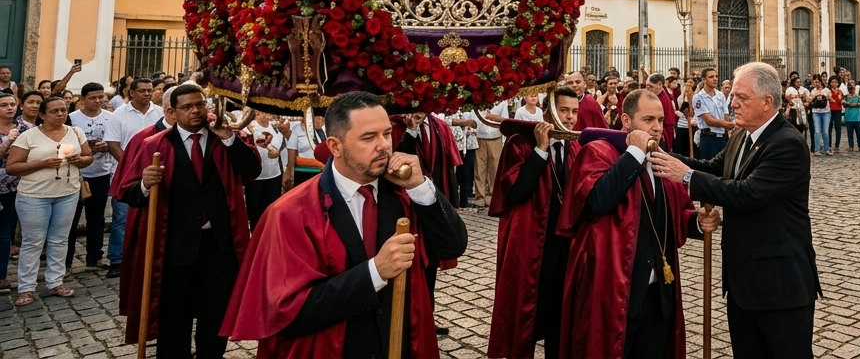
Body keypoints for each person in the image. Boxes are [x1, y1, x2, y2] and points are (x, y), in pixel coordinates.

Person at [223, 92, 467, 359]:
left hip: (402, 344)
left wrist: (421, 188)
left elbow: (451, 246)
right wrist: (375, 272)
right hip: (330, 348)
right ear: (335, 146)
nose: (384, 145)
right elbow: (288, 312)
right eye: (368, 137)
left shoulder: (404, 194)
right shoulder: (290, 213)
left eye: (386, 134)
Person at [650, 62, 819, 359]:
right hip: (744, 283)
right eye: (733, 96)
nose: (732, 103)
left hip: (780, 285)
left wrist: (686, 177)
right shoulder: (742, 134)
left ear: (767, 102)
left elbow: (747, 193)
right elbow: (715, 169)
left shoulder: (787, 143)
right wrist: (659, 155)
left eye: (741, 97)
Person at [559, 90, 716, 359]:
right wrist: (634, 151)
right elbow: (598, 200)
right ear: (626, 120)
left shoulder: (661, 158)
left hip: (658, 292)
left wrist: (698, 223)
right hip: (616, 290)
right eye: (648, 120)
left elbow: (674, 213)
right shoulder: (598, 151)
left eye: (660, 120)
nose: (656, 128)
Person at [114, 85, 259, 358]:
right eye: (187, 107)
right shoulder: (153, 145)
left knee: (216, 314)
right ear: (171, 112)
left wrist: (230, 139)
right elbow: (127, 192)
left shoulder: (224, 140)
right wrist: (144, 185)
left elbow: (251, 171)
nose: (196, 111)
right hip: (173, 247)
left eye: (200, 105)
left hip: (219, 246)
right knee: (174, 317)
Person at [487, 89, 581, 358]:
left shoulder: (574, 146)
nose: (570, 117)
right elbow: (515, 192)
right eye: (564, 110)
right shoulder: (521, 143)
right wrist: (540, 151)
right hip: (532, 244)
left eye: (574, 111)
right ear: (548, 111)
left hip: (565, 245)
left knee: (560, 315)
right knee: (526, 310)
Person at [5, 96, 92, 305]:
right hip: (34, 196)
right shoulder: (29, 137)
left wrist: (79, 160)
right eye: (54, 111)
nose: (61, 114)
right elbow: (12, 167)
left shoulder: (75, 133)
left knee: (60, 239)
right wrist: (42, 163)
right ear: (42, 115)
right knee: (33, 242)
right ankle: (26, 288)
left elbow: (89, 157)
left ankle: (55, 281)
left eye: (63, 110)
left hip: (67, 193)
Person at [393, 110, 462, 336]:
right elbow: (398, 162)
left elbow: (446, 164)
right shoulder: (396, 126)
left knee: (430, 266)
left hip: (432, 204)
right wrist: (411, 130)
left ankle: (427, 319)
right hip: (408, 209)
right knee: (414, 267)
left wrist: (451, 203)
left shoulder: (439, 126)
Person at [105, 76, 164, 278]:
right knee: (122, 218)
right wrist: (132, 167)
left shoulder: (160, 113)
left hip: (155, 174)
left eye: (150, 90)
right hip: (127, 174)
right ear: (132, 92)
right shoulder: (118, 115)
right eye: (142, 91)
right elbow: (112, 144)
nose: (147, 94)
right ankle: (117, 259)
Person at [67, 82, 116, 271]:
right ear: (82, 99)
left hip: (101, 173)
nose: (98, 101)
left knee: (97, 218)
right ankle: (67, 261)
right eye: (93, 98)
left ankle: (94, 258)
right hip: (77, 175)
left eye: (100, 97)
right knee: (71, 219)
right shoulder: (72, 118)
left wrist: (106, 147)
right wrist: (87, 147)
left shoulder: (111, 117)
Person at [0, 90, 28, 291]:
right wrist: (8, 141)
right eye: (4, 105)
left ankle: (1, 276)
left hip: (16, 186)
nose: (10, 108)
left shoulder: (24, 127)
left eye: (12, 104)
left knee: (5, 232)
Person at [245, 111, 285, 230]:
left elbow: (279, 149)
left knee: (271, 209)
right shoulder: (250, 128)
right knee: (255, 212)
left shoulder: (275, 128)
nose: (269, 113)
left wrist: (275, 152)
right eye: (264, 110)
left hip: (274, 175)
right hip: (255, 177)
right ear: (257, 112)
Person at [693, 68, 731, 161]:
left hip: (722, 137)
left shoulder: (720, 95)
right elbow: (709, 120)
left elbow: (725, 115)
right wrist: (731, 125)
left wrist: (726, 125)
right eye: (711, 77)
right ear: (703, 79)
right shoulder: (698, 97)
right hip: (708, 138)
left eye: (716, 76)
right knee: (709, 168)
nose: (715, 79)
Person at [842, 85, 860, 151]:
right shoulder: (846, 97)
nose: (852, 91)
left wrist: (850, 104)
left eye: (853, 89)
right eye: (850, 89)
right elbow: (844, 105)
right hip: (849, 117)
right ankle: (851, 146)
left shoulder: (858, 96)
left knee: (859, 133)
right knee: (850, 133)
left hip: (857, 117)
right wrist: (851, 104)